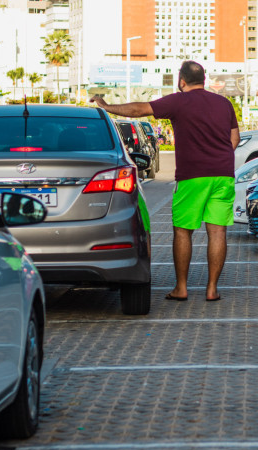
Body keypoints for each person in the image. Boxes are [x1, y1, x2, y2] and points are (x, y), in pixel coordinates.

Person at [90, 60, 240, 302]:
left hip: (193, 176)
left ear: (182, 81)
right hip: (223, 175)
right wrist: (219, 157)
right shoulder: (224, 103)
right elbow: (235, 138)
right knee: (217, 231)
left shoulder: (179, 101)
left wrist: (107, 106)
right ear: (203, 79)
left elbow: (139, 110)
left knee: (182, 231)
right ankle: (212, 289)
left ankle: (181, 288)